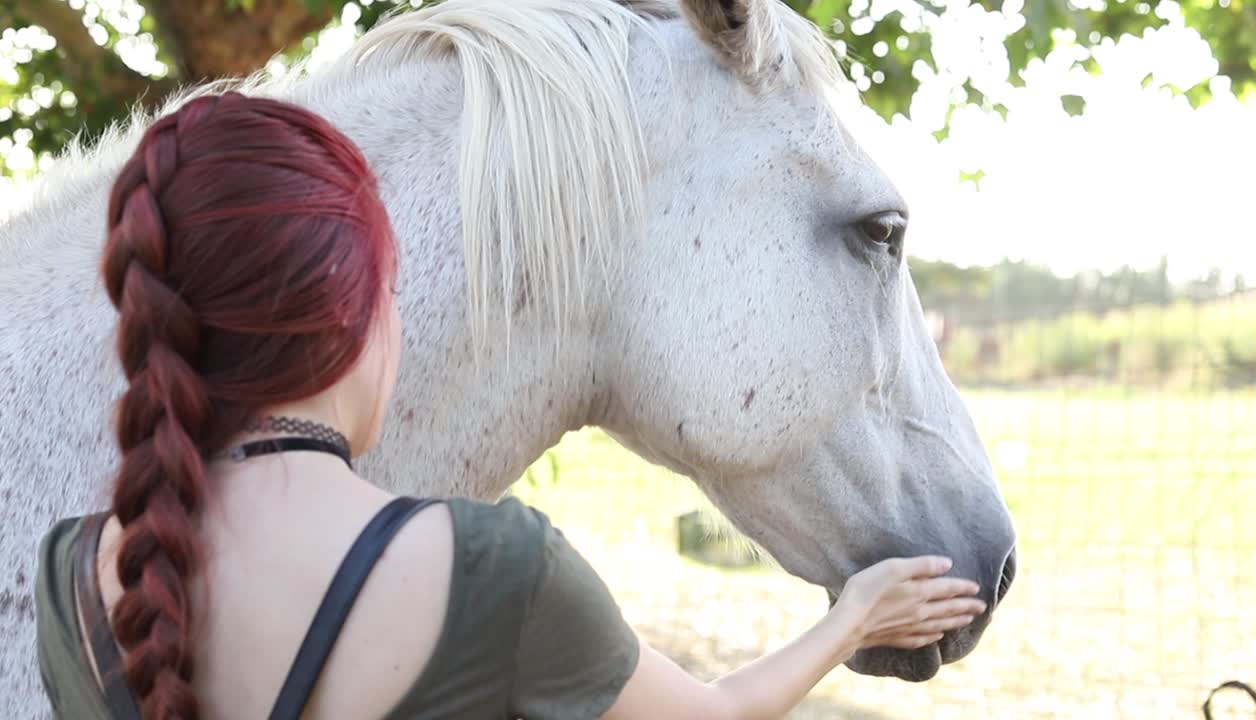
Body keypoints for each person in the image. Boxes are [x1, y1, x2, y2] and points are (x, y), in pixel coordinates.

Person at [33, 93, 986, 720]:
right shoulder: (497, 569)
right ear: (360, 314)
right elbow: (716, 715)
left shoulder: (72, 568)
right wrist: (850, 619)